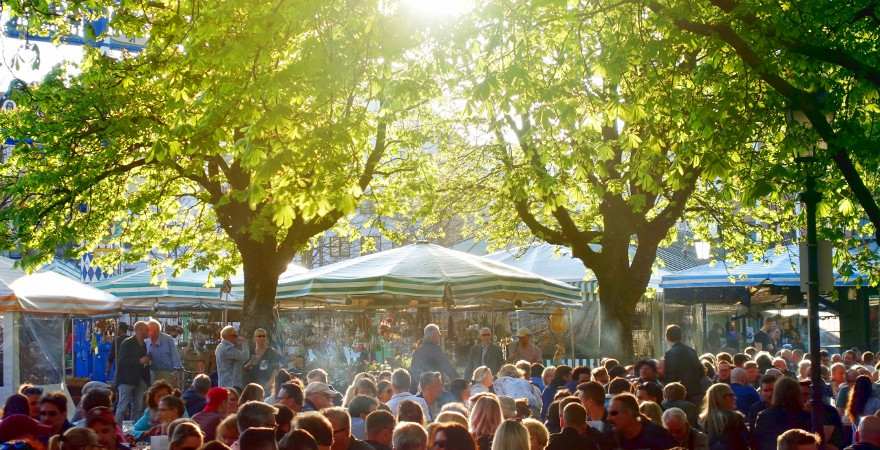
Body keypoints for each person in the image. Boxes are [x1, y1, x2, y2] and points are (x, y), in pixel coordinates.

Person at [753, 377, 811, 450]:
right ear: (797, 393)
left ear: (776, 394)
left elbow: (757, 441)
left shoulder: (764, 415)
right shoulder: (805, 416)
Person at [606, 393, 677, 450]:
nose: (608, 418)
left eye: (613, 413)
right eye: (608, 414)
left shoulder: (658, 436)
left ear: (629, 413)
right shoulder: (610, 439)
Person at [115, 321, 150, 423]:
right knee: (122, 407)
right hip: (126, 380)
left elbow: (144, 364)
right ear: (138, 330)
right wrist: (139, 361)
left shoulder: (144, 345)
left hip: (139, 380)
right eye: (145, 330)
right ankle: (117, 429)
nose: (147, 332)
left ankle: (133, 430)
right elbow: (122, 361)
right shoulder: (127, 343)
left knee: (138, 407)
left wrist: (147, 382)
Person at [664, 325, 705, 405]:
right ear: (681, 336)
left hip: (678, 394)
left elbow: (671, 375)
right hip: (695, 392)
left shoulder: (670, 353)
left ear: (667, 337)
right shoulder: (692, 351)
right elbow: (701, 371)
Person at [698, 384, 748, 450]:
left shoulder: (702, 420)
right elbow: (745, 441)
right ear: (720, 398)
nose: (735, 398)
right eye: (731, 395)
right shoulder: (735, 418)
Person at [243, 328, 283, 392]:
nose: (262, 338)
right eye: (259, 336)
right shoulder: (249, 352)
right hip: (251, 386)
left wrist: (270, 383)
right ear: (254, 338)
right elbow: (244, 369)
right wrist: (250, 363)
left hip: (266, 387)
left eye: (264, 336)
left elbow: (276, 369)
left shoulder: (272, 352)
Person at [147, 319, 182, 387]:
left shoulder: (168, 339)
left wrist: (176, 372)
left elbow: (175, 355)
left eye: (150, 330)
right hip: (152, 372)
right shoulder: (146, 340)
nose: (148, 332)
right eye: (148, 330)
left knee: (167, 393)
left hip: (167, 372)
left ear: (157, 331)